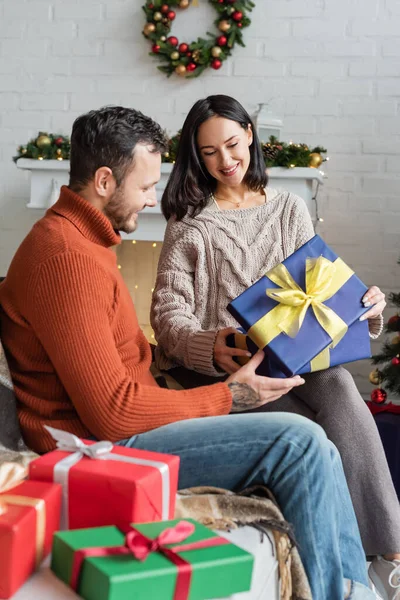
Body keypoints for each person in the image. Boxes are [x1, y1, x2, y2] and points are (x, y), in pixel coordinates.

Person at [0, 106, 374, 600]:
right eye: (146, 186)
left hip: (131, 423)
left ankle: (356, 589)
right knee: (300, 442)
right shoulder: (66, 259)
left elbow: (109, 358)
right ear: (107, 180)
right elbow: (112, 413)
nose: (154, 200)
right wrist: (229, 397)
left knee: (319, 441)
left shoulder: (82, 243)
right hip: (99, 448)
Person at [151, 94, 400, 598]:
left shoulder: (289, 208)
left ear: (250, 134)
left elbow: (318, 288)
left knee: (337, 386)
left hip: (300, 360)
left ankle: (390, 556)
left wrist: (364, 307)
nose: (225, 161)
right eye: (208, 152)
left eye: (233, 144)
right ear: (195, 158)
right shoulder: (190, 222)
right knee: (311, 425)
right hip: (232, 370)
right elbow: (167, 316)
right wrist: (207, 346)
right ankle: (362, 563)